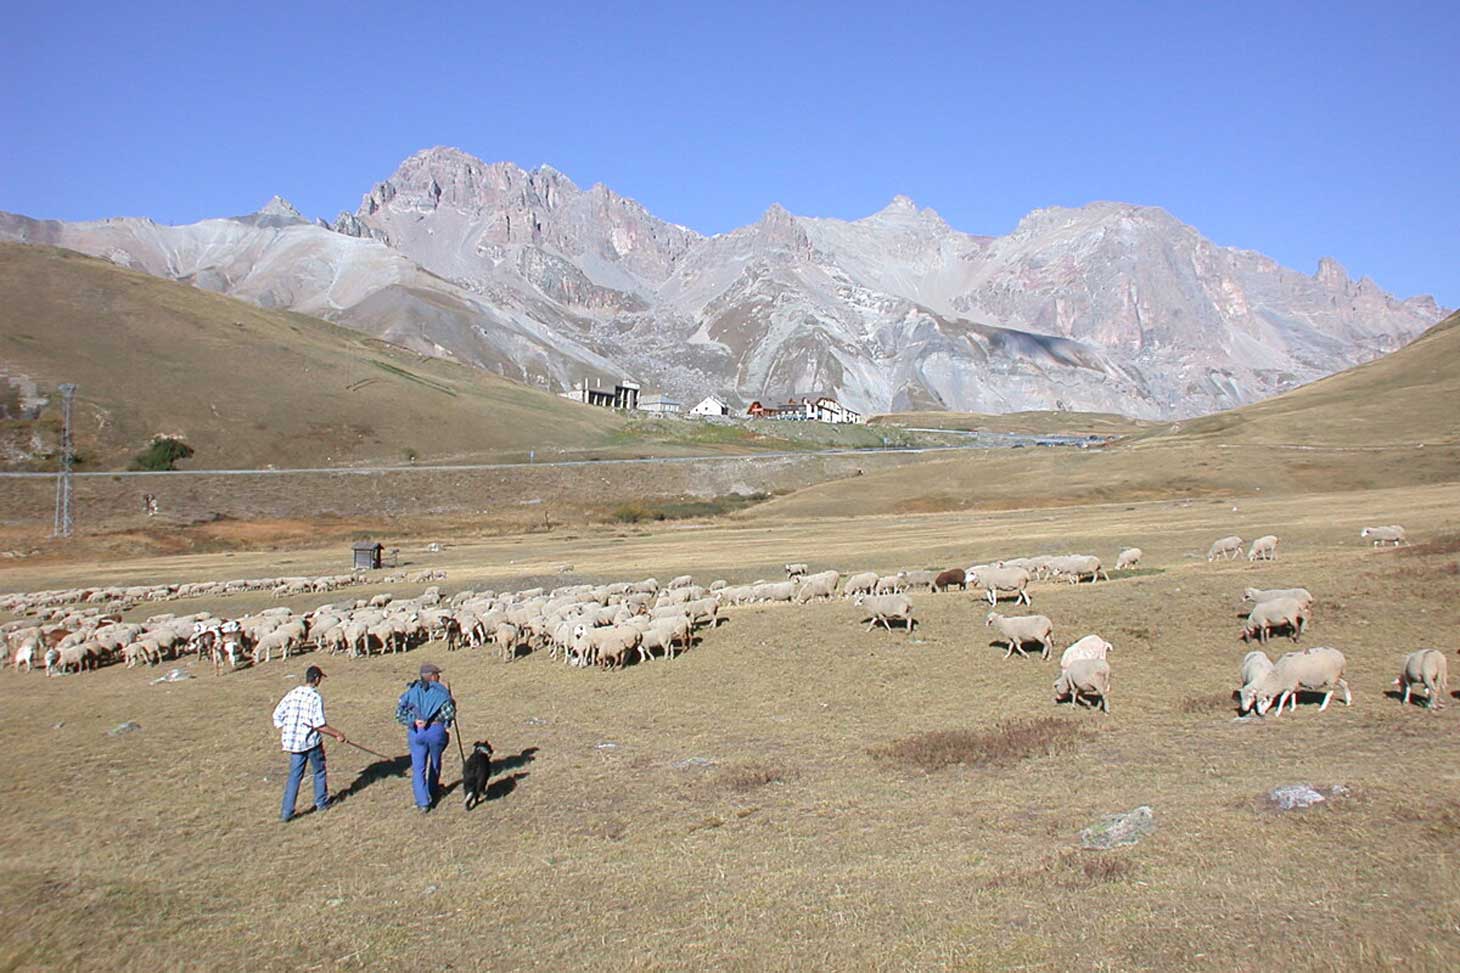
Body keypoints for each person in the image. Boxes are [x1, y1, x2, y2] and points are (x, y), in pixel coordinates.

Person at [272, 665, 346, 822]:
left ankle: (286, 812)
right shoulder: (315, 697)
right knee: (319, 770)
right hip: (310, 742)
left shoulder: (292, 693)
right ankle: (321, 802)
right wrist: (337, 734)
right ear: (317, 679)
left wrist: (287, 727)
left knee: (294, 776)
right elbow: (319, 724)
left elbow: (277, 714)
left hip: (293, 743)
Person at [395, 662, 456, 812]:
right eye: (438, 674)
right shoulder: (441, 692)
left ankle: (422, 802)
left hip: (417, 732)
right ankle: (433, 790)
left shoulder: (411, 691)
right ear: (433, 676)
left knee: (418, 768)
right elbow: (450, 714)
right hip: (436, 731)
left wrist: (413, 720)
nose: (439, 677)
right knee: (435, 762)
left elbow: (399, 714)